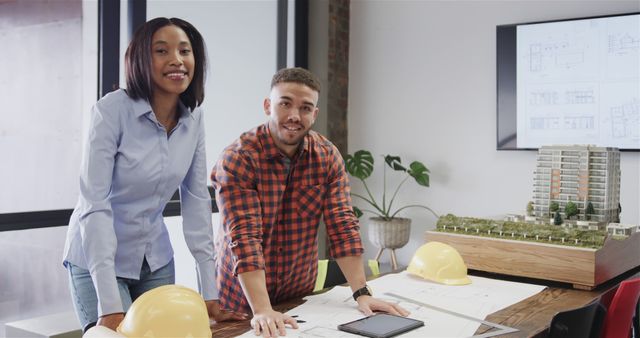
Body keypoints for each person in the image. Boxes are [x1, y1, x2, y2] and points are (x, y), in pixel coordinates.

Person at [62, 17, 246, 333]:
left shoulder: (194, 118)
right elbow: (94, 204)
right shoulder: (111, 111)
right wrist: (109, 306)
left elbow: (196, 201)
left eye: (185, 51)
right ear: (141, 60)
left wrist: (210, 293)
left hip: (155, 260)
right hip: (99, 262)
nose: (177, 59)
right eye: (162, 51)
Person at [211, 67, 409, 338]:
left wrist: (362, 293)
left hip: (300, 296)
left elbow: (342, 226)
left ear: (314, 114)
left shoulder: (327, 156)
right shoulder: (239, 158)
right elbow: (244, 238)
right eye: (285, 104)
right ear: (268, 105)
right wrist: (263, 309)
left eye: (305, 108)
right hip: (242, 302)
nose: (294, 116)